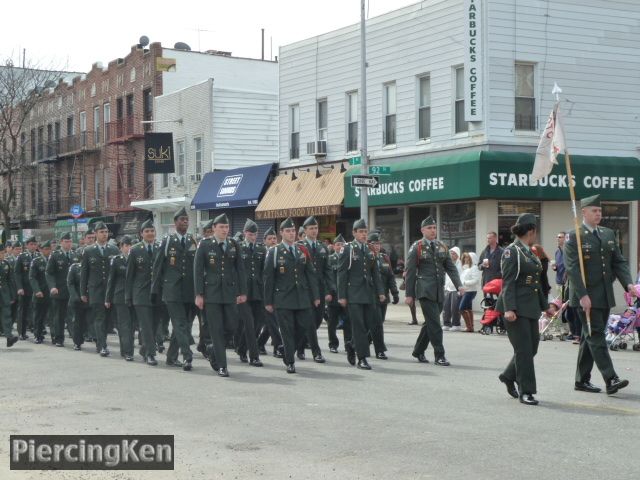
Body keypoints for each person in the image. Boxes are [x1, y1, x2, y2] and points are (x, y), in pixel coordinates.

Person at [565, 194, 635, 395]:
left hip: (604, 295)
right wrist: (582, 295)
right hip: (585, 297)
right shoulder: (574, 236)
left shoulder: (608, 234)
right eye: (594, 211)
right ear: (584, 212)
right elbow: (573, 269)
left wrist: (628, 283)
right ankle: (610, 377)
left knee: (590, 338)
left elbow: (618, 262)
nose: (598, 214)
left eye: (600, 211)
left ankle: (581, 380)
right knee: (596, 335)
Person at [496, 213, 547, 406]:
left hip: (530, 307)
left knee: (531, 347)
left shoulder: (529, 251)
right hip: (515, 308)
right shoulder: (513, 251)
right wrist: (509, 309)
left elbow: (535, 283)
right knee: (524, 350)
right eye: (535, 231)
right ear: (531, 231)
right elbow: (508, 282)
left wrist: (546, 306)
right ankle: (526, 391)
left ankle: (509, 375)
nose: (536, 234)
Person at [264, 217, 325, 374]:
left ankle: (287, 349)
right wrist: (268, 301)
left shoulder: (302, 250)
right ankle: (290, 361)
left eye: (293, 231)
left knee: (304, 327)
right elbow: (269, 278)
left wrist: (316, 296)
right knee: (287, 330)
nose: (291, 233)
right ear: (281, 233)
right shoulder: (274, 251)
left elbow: (310, 274)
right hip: (283, 299)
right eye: (288, 231)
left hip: (302, 298)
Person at [405, 216, 463, 366]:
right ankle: (440, 355)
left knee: (430, 323)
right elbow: (410, 272)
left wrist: (459, 285)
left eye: (434, 228)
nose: (432, 230)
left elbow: (450, 267)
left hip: (439, 291)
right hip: (425, 290)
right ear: (422, 230)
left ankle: (418, 350)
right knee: (435, 324)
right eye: (429, 228)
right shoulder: (417, 247)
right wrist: (409, 295)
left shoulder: (442, 246)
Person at [194, 213, 247, 377]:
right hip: (212, 294)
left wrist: (242, 292)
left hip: (230, 292)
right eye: (222, 227)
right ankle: (222, 366)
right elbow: (197, 271)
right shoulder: (204, 245)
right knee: (216, 330)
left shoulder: (233, 244)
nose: (225, 230)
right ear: (214, 228)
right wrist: (199, 294)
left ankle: (211, 349)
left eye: (227, 227)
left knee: (232, 325)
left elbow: (240, 269)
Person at [152, 207, 198, 371]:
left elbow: (196, 268)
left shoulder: (193, 241)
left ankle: (171, 357)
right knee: (179, 324)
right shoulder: (167, 241)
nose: (185, 222)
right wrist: (155, 291)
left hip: (188, 291)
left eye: (186, 220)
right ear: (175, 222)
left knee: (184, 325)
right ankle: (187, 356)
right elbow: (158, 268)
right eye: (181, 220)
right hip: (171, 291)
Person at [337, 219, 386, 370]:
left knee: (370, 325)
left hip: (368, 293)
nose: (364, 234)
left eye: (365, 232)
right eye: (361, 232)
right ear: (354, 233)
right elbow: (342, 273)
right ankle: (362, 358)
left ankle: (352, 345)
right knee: (358, 326)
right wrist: (342, 295)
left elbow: (375, 273)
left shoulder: (370, 249)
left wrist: (380, 292)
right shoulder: (348, 249)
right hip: (354, 294)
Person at [296, 216, 334, 359]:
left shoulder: (322, 247)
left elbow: (327, 269)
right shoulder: (299, 247)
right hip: (305, 290)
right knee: (310, 322)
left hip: (320, 289)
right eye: (311, 228)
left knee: (317, 320)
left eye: (316, 228)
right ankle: (316, 352)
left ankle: (300, 345)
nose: (314, 231)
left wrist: (331, 288)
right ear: (305, 231)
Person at [80, 222, 119, 356]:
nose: (104, 234)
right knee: (99, 318)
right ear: (96, 234)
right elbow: (84, 273)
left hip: (111, 290)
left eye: (106, 232)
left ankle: (101, 341)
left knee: (109, 320)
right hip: (95, 290)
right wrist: (83, 292)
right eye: (101, 232)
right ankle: (102, 345)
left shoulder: (114, 249)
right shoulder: (89, 250)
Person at [126, 219, 161, 366]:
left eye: (152, 231)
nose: (150, 233)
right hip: (140, 294)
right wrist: (128, 297)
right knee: (145, 325)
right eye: (147, 231)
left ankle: (145, 349)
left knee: (154, 326)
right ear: (141, 234)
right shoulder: (135, 250)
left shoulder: (160, 247)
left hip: (157, 294)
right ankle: (151, 354)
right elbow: (129, 276)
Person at [233, 218, 264, 367]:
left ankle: (241, 348)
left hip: (258, 292)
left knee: (257, 324)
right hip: (243, 292)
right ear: (245, 233)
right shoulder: (238, 247)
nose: (253, 236)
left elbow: (265, 273)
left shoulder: (261, 249)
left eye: (255, 234)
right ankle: (254, 356)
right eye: (251, 234)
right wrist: (237, 292)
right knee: (250, 324)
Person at [45, 232, 80, 347]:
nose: (68, 244)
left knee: (73, 316)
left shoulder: (75, 255)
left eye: (70, 241)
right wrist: (52, 286)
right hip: (59, 291)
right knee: (59, 316)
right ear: (61, 243)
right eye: (66, 241)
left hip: (73, 292)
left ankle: (76, 340)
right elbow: (49, 273)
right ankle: (59, 338)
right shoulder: (55, 255)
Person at [256, 226, 284, 358]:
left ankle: (260, 343)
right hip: (263, 293)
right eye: (270, 238)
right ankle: (278, 347)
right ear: (264, 240)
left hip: (276, 292)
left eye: (274, 238)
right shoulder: (261, 252)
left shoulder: (279, 252)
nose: (273, 240)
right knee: (271, 321)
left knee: (272, 322)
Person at [105, 235, 134, 361]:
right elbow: (111, 281)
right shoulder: (116, 260)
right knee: (124, 325)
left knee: (132, 325)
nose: (129, 248)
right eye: (126, 246)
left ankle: (126, 350)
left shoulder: (136, 259)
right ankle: (127, 351)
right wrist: (108, 298)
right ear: (121, 247)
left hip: (134, 296)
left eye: (130, 245)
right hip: (120, 296)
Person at [326, 234, 351, 357]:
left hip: (346, 296)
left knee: (348, 321)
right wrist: (328, 292)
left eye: (342, 244)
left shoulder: (349, 258)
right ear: (334, 246)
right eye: (338, 244)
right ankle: (333, 344)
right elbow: (327, 277)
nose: (340, 246)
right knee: (332, 323)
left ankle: (348, 345)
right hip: (333, 295)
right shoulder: (330, 259)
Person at [14, 236, 38, 340]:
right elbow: (17, 273)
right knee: (23, 310)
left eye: (34, 244)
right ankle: (21, 332)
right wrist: (19, 287)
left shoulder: (38, 256)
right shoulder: (22, 257)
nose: (33, 246)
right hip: (25, 288)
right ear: (27, 245)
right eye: (31, 244)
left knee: (36, 310)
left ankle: (37, 331)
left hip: (36, 289)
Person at [29, 240, 52, 344]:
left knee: (52, 316)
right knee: (39, 316)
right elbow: (32, 277)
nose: (48, 251)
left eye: (49, 249)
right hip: (40, 293)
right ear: (41, 250)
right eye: (45, 249)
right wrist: (37, 290)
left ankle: (55, 336)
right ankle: (37, 335)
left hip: (51, 293)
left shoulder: (53, 259)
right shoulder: (36, 261)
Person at [0, 243, 19, 348]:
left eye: (3, 253)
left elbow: (10, 280)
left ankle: (9, 337)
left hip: (4, 294)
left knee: (7, 315)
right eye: (0, 253)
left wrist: (12, 295)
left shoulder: (6, 264)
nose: (2, 255)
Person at [442, 246, 463, 331]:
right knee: (446, 307)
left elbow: (461, 277)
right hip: (448, 288)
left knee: (454, 308)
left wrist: (460, 287)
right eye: (450, 253)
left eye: (454, 254)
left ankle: (456, 324)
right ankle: (446, 323)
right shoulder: (447, 263)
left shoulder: (460, 265)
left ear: (458, 255)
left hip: (455, 289)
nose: (452, 255)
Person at [459, 252, 481, 332]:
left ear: (472, 259)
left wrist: (465, 283)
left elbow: (476, 280)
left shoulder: (474, 268)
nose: (466, 259)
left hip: (470, 291)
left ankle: (469, 327)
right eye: (465, 258)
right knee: (468, 308)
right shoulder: (466, 268)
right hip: (466, 290)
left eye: (468, 258)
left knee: (462, 308)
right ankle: (471, 327)